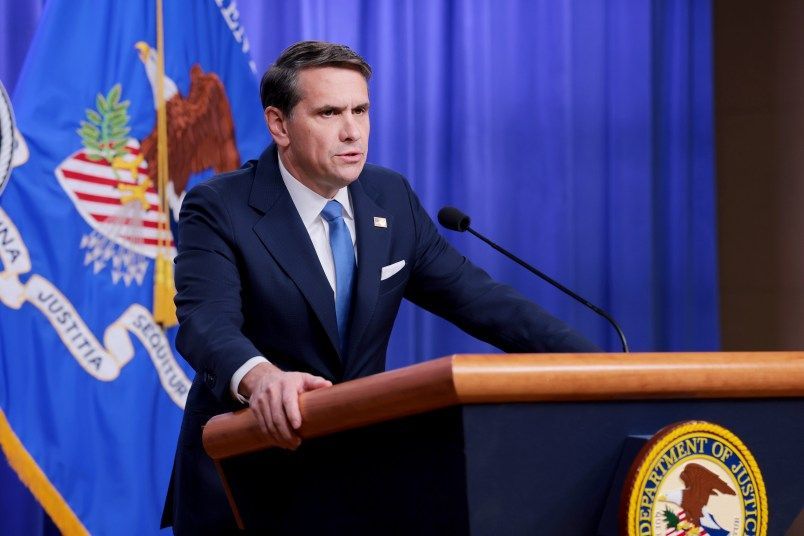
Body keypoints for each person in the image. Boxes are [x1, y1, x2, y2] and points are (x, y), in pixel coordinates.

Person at [161, 40, 599, 533]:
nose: (352, 131)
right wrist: (262, 379)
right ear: (279, 125)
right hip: (248, 481)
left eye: (361, 110)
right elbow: (206, 322)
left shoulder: (389, 197)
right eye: (329, 113)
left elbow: (483, 301)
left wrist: (603, 372)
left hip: (357, 482)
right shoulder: (220, 207)